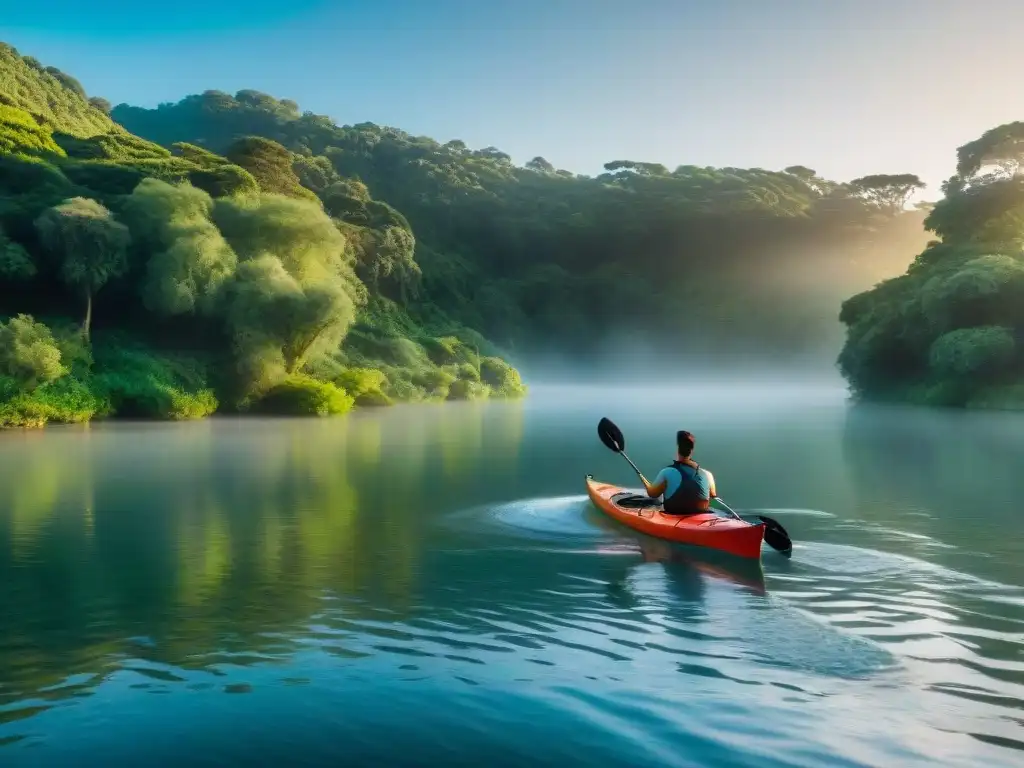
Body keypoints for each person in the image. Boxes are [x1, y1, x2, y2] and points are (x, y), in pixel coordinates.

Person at [641, 430, 716, 515]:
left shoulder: (666, 472)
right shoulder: (707, 474)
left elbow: (652, 494)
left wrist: (644, 482)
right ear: (692, 451)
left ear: (677, 450)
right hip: (701, 513)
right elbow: (713, 494)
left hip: (675, 514)